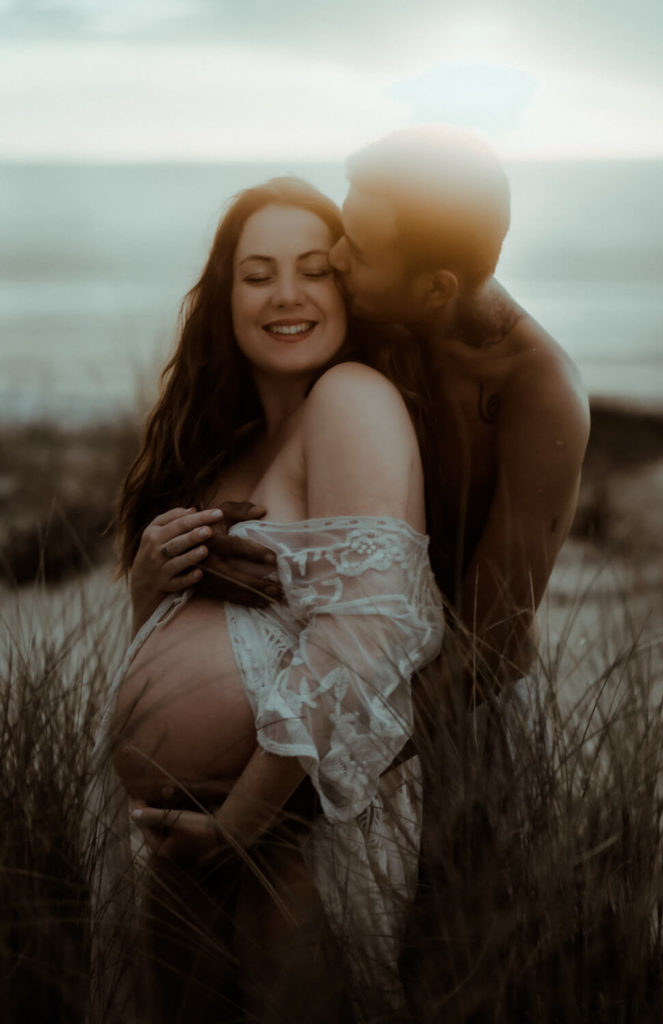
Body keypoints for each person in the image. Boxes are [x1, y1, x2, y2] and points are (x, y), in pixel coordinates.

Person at [95, 177, 444, 1022]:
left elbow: (363, 631)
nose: (285, 295)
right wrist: (148, 586)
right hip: (187, 834)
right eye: (257, 275)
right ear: (226, 296)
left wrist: (240, 825)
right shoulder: (229, 447)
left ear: (345, 288)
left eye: (313, 269)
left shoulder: (350, 397)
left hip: (283, 832)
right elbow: (192, 634)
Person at [132, 125, 590, 700]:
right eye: (344, 233)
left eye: (358, 252)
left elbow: (492, 644)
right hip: (335, 690)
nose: (337, 258)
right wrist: (221, 550)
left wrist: (318, 770)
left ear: (434, 289)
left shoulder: (541, 395)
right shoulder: (378, 308)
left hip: (449, 713)